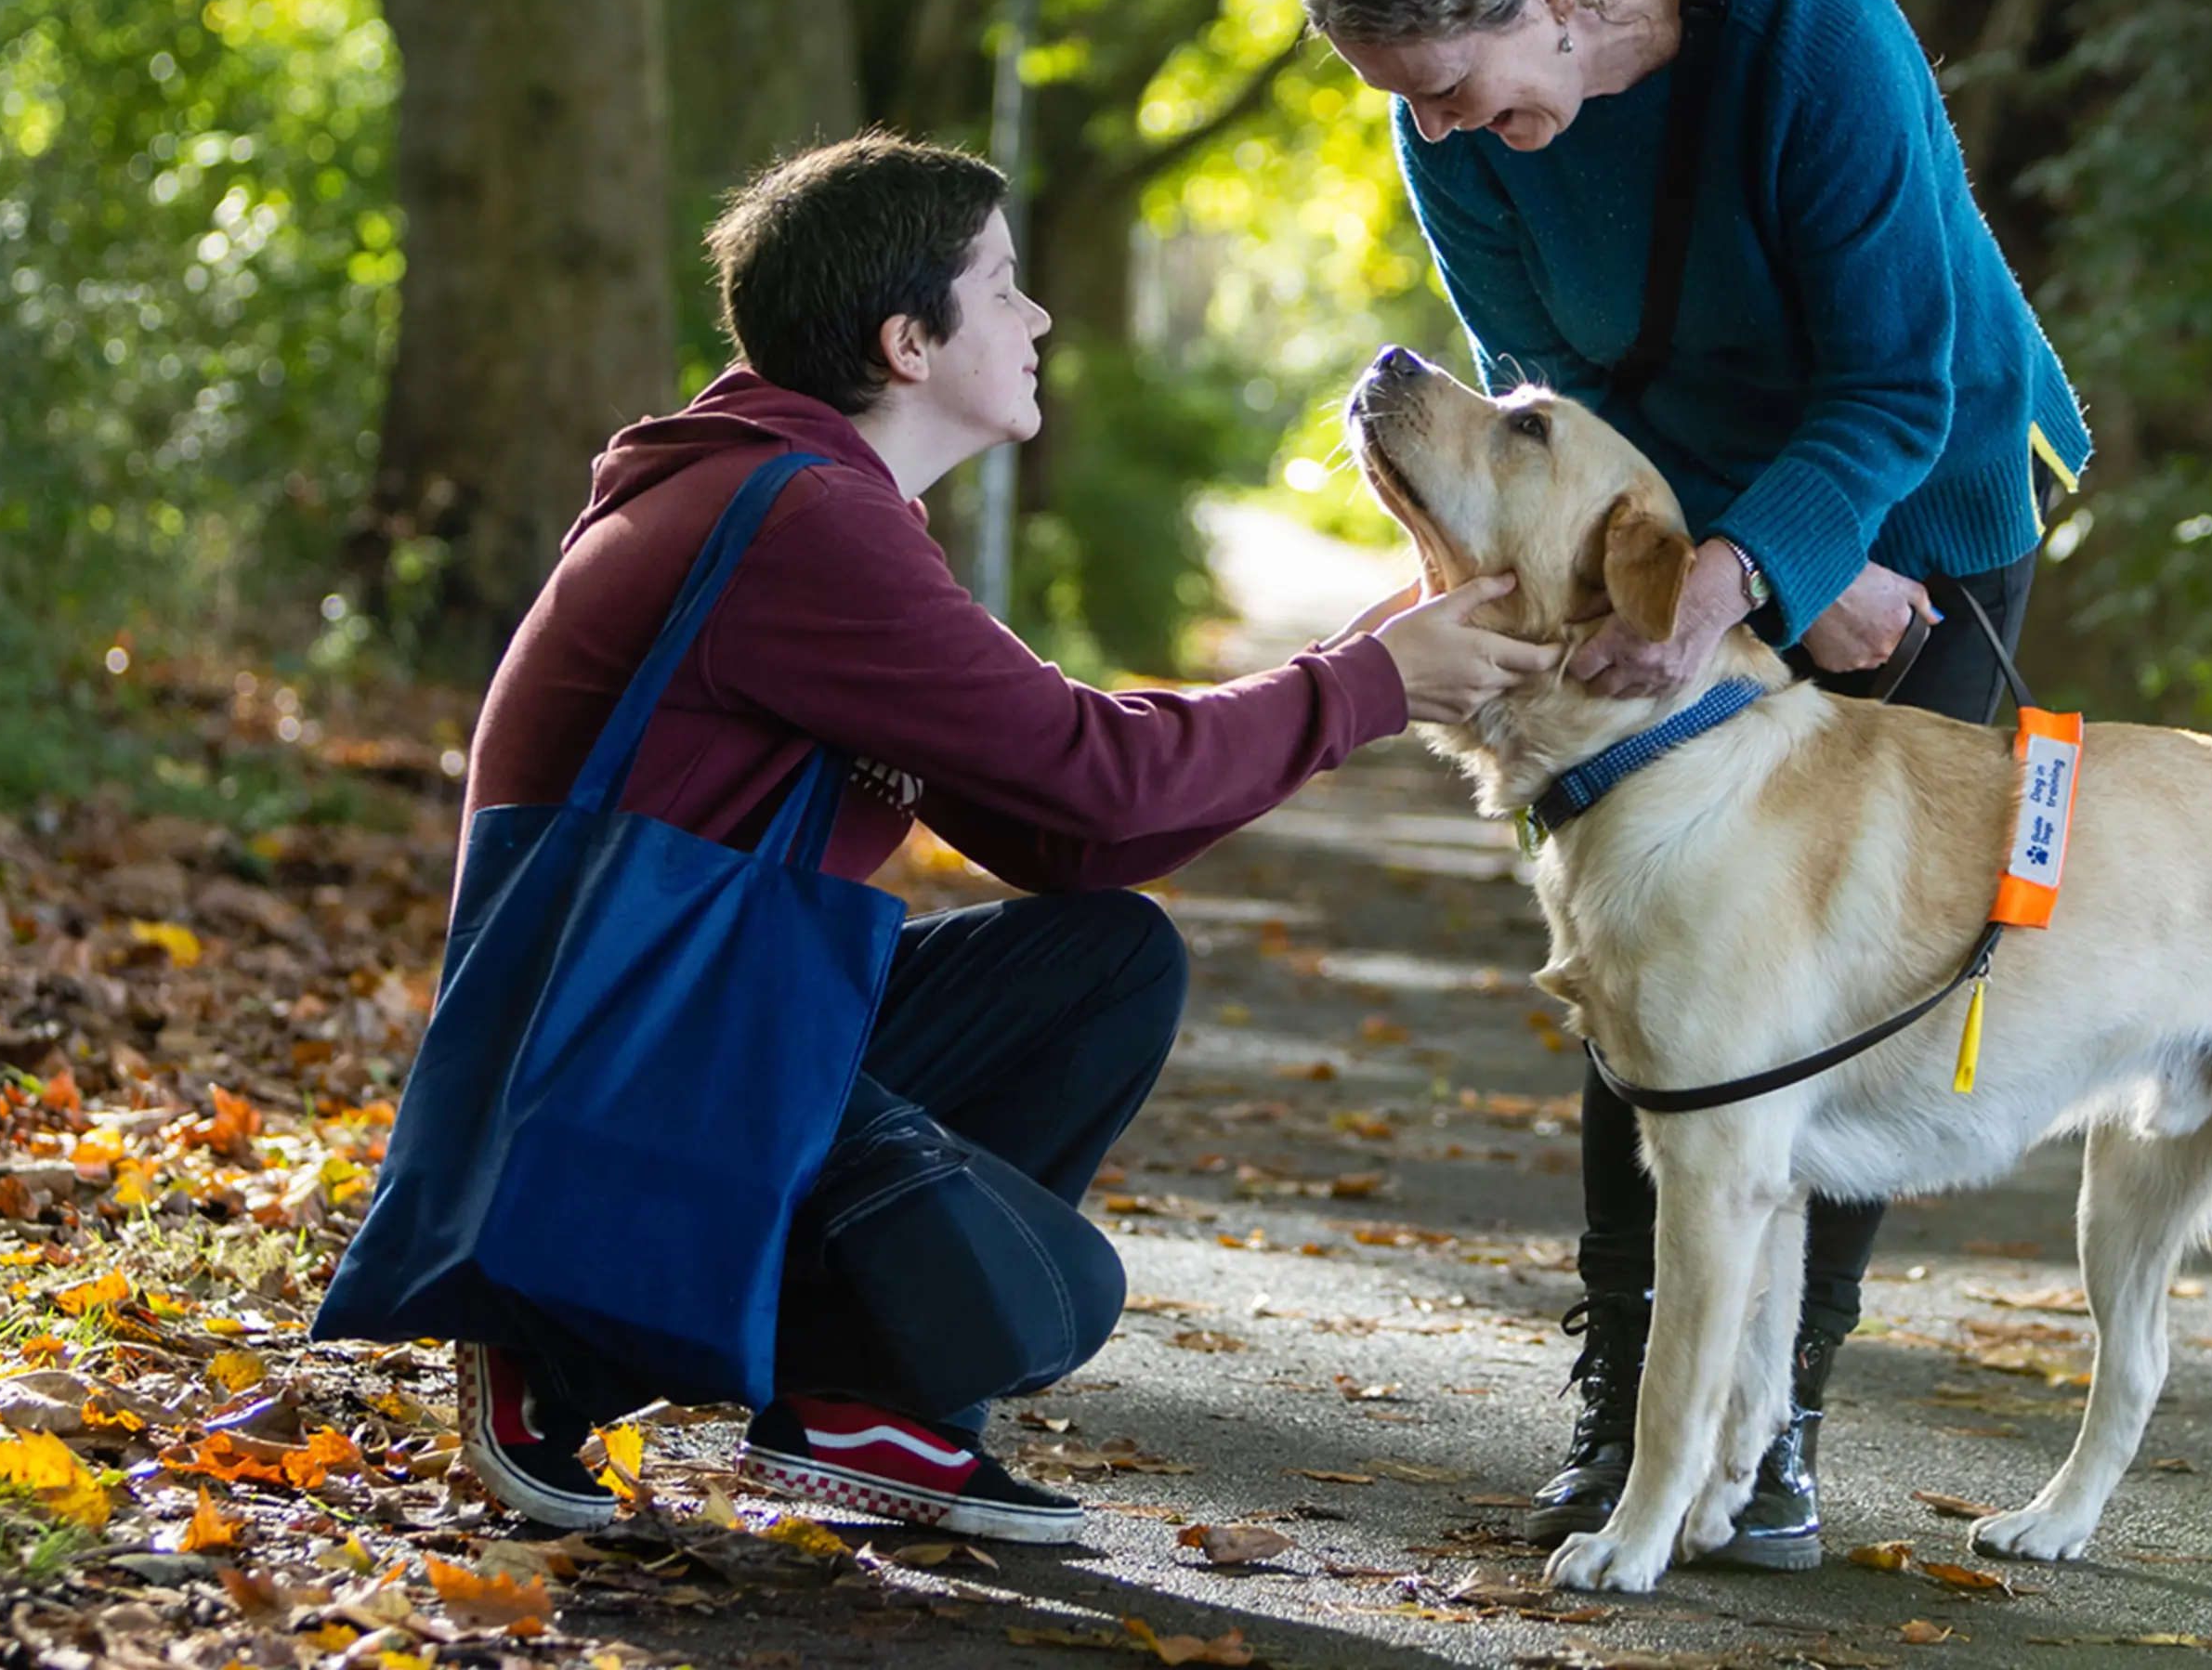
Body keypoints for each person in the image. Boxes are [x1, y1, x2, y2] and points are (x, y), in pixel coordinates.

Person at [447, 131, 1556, 1543]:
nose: (1039, 321)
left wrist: (1366, 663)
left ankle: (865, 1404)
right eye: (1006, 289)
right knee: (1045, 1296)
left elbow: (1067, 833)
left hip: (692, 1017)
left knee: (1104, 959)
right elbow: (1099, 783)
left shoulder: (807, 498)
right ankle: (560, 1331)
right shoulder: (799, 525)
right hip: (620, 1068)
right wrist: (1371, 687)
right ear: (910, 342)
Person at [1289, 0, 2097, 1571]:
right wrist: (1720, 567)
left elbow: (1899, 378)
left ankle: (1784, 1423)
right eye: (1402, 98)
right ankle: (1626, 1401)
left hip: (1925, 497)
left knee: (1843, 986)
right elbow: (1553, 403)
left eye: (1458, 85)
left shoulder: (1813, 28)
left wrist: (1783, 570)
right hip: (1701, 529)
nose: (1440, 135)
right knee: (1652, 969)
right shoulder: (1466, 129)